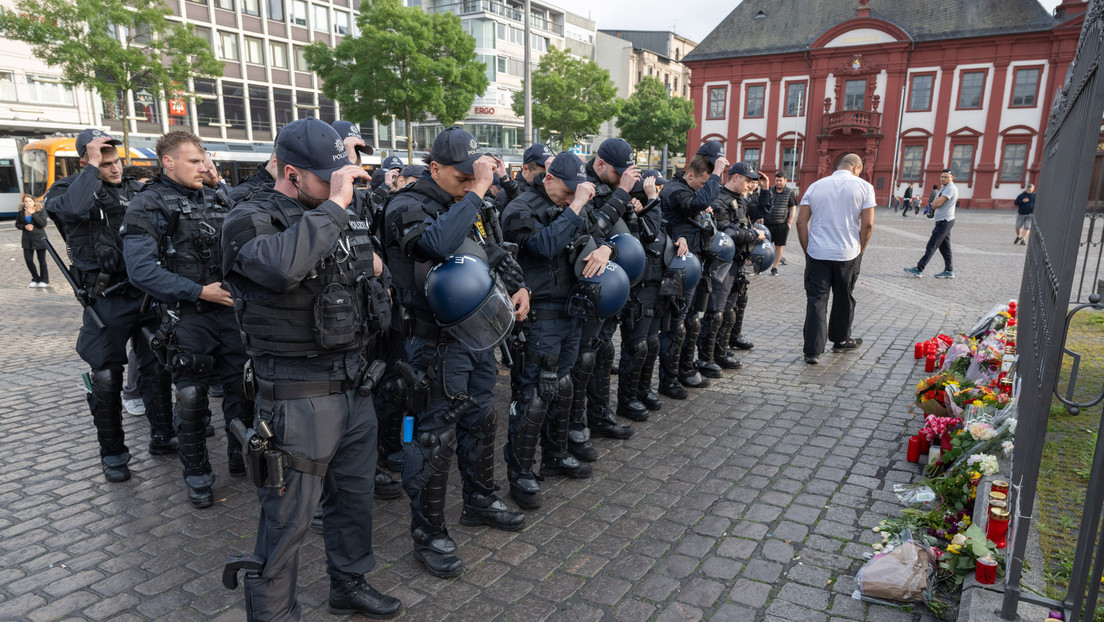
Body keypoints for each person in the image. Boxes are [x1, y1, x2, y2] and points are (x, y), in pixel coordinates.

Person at [221, 117, 401, 619]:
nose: (341, 185)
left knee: (353, 499)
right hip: (296, 395)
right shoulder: (249, 217)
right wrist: (336, 207)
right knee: (288, 518)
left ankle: (348, 582)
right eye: (328, 178)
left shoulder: (339, 213)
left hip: (354, 384)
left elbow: (372, 270)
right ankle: (275, 613)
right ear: (293, 173)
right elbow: (280, 268)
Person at [383, 126, 530, 578]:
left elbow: (490, 250)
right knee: (433, 434)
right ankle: (428, 533)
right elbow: (434, 245)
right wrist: (479, 190)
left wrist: (518, 283)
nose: (471, 184)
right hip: (429, 340)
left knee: (482, 416)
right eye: (463, 177)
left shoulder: (466, 204)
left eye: (475, 176)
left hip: (475, 334)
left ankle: (480, 499)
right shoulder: (406, 204)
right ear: (435, 170)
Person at [121, 130, 253, 508]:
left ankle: (238, 456)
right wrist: (198, 291)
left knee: (241, 391)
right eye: (194, 161)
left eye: (204, 159)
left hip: (229, 313)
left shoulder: (218, 196)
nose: (203, 167)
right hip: (187, 315)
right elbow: (141, 271)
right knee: (192, 398)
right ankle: (198, 475)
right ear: (168, 162)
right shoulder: (147, 205)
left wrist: (219, 184)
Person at [45, 128, 176, 483]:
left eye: (116, 160)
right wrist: (91, 166)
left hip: (145, 293)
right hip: (105, 299)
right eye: (105, 162)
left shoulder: (137, 190)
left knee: (157, 366)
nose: (115, 168)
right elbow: (74, 208)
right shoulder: (67, 191)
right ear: (86, 161)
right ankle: (114, 452)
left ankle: (164, 435)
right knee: (106, 375)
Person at [500, 151, 600, 509]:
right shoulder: (520, 209)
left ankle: (556, 454)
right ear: (548, 178)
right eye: (568, 189)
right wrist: (575, 208)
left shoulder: (576, 206)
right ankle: (522, 472)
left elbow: (595, 239)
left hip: (571, 309)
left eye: (577, 191)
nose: (573, 196)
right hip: (539, 314)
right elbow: (543, 247)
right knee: (534, 394)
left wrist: (605, 251)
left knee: (563, 385)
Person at [658, 141, 727, 395]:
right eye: (701, 183)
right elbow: (692, 204)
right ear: (690, 175)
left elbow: (698, 207)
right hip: (676, 269)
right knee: (675, 325)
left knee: (690, 322)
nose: (702, 189)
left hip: (693, 267)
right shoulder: (675, 190)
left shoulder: (688, 190)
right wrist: (716, 176)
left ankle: (685, 370)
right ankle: (669, 379)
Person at [795, 153, 875, 365]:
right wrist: (861, 249)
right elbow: (868, 225)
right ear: (857, 168)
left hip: (818, 252)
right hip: (848, 252)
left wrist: (807, 250)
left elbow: (800, 223)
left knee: (816, 301)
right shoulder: (864, 187)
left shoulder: (816, 186)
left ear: (837, 166)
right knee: (844, 297)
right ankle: (840, 340)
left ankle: (812, 351)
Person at [618, 170, 668, 416]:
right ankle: (627, 398)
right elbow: (649, 235)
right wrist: (650, 201)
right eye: (655, 188)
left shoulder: (653, 212)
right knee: (636, 346)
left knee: (651, 343)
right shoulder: (634, 212)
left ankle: (643, 389)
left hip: (658, 286)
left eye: (658, 188)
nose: (659, 192)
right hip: (639, 288)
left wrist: (680, 240)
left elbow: (662, 234)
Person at [709, 162, 764, 366]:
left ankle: (721, 352)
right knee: (716, 312)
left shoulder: (740, 200)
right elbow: (727, 232)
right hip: (722, 263)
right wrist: (752, 235)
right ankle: (708, 357)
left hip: (737, 261)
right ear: (735, 177)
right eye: (747, 180)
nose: (750, 184)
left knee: (729, 312)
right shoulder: (720, 199)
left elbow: (744, 224)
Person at [905, 169, 958, 279]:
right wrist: (935, 203)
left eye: (946, 177)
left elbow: (935, 204)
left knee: (932, 245)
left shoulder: (950, 188)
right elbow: (935, 203)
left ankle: (919, 269)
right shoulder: (945, 188)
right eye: (942, 177)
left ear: (952, 178)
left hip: (945, 221)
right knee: (945, 248)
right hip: (944, 220)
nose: (943, 179)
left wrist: (935, 203)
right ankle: (949, 270)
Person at [762, 171, 797, 275]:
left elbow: (793, 208)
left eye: (780, 180)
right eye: (777, 180)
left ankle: (774, 267)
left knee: (779, 246)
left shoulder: (790, 192)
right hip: (768, 223)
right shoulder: (770, 190)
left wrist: (789, 223)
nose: (778, 182)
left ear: (785, 181)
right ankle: (762, 266)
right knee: (765, 245)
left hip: (781, 224)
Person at [17, 195, 49, 287]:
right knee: (28, 260)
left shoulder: (39, 211)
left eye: (30, 201)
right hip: (27, 240)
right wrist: (24, 227)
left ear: (34, 202)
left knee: (41, 260)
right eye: (26, 201)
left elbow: (43, 224)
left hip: (40, 239)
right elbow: (17, 224)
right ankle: (35, 278)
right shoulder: (21, 212)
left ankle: (44, 279)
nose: (28, 203)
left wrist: (33, 214)